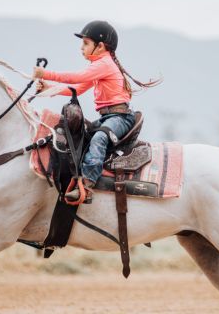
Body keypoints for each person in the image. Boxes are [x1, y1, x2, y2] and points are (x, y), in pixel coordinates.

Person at [33, 20, 160, 202]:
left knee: (99, 138)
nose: (81, 48)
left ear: (100, 46)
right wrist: (48, 88)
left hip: (120, 117)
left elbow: (78, 77)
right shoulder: (99, 67)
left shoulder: (104, 64)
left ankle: (87, 184)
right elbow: (77, 87)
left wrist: (45, 74)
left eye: (86, 43)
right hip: (108, 117)